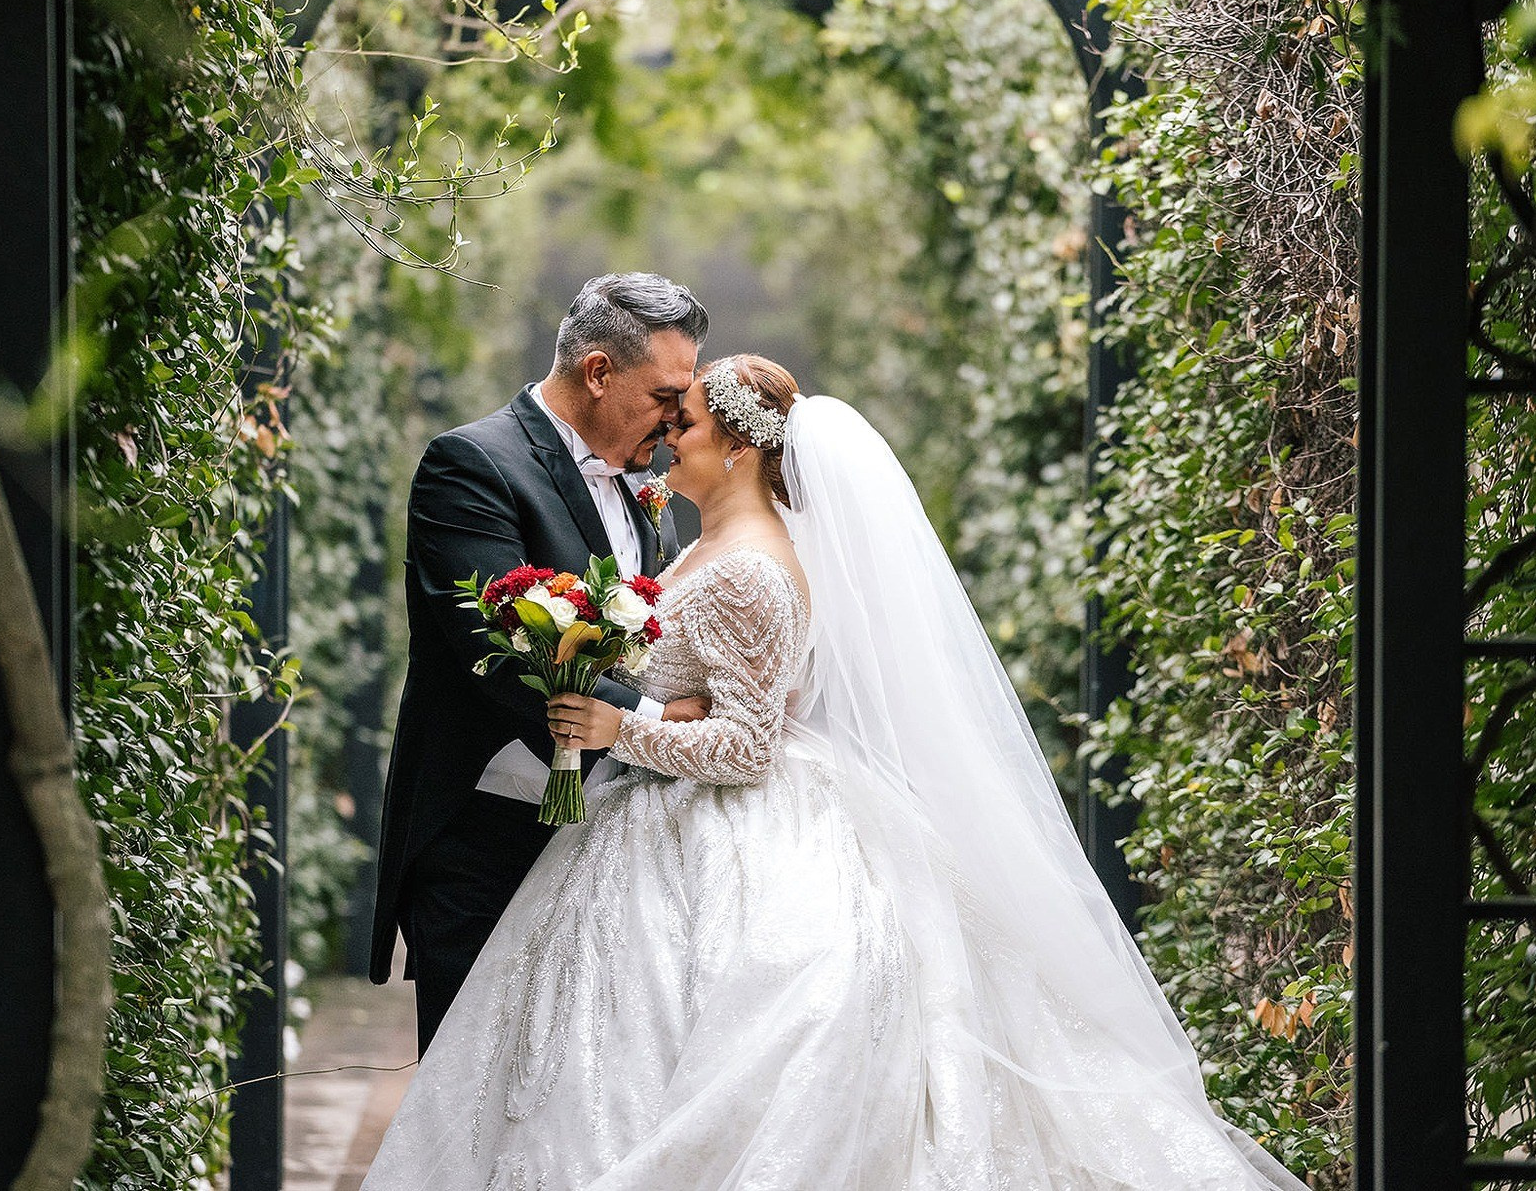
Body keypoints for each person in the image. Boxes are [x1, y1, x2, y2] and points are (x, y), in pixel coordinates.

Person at [363, 354, 1311, 1190]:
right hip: (660, 817)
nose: (666, 435)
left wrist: (621, 723)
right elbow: (726, 698)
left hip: (731, 828)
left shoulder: (750, 569)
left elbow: (747, 746)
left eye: (684, 421)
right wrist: (660, 709)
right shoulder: (706, 549)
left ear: (738, 449)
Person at [369, 272, 715, 1054]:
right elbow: (502, 650)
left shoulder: (638, 486)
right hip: (486, 846)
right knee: (470, 1093)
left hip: (609, 846)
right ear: (598, 372)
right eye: (665, 396)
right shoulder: (472, 465)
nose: (677, 419)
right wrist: (659, 723)